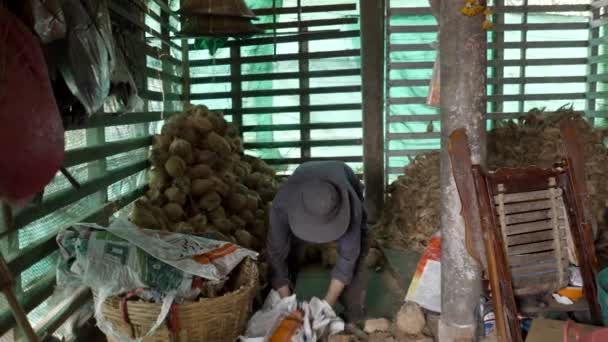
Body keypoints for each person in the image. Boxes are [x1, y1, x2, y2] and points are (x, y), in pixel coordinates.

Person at [266, 161, 369, 323]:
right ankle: (285, 302)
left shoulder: (351, 205)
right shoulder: (282, 205)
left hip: (343, 180)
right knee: (287, 255)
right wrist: (287, 303)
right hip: (299, 195)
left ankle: (353, 310)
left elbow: (348, 258)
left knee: (358, 251)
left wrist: (326, 305)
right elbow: (276, 254)